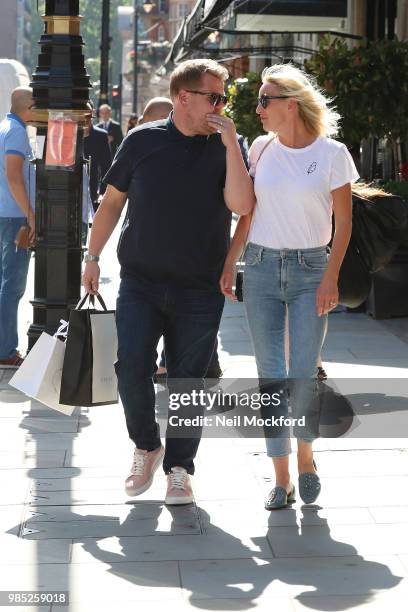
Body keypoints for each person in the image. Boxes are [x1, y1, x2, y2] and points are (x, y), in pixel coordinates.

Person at [83, 59, 254, 505]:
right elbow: (111, 204)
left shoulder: (226, 147)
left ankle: (180, 469)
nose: (221, 106)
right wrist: (92, 256)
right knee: (130, 370)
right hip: (140, 280)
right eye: (213, 97)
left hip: (200, 286)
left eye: (224, 98)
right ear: (184, 97)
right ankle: (146, 445)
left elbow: (242, 205)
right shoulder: (142, 141)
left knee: (188, 381)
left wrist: (232, 143)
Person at [220, 64, 358, 510]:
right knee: (271, 376)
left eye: (264, 100)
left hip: (310, 272)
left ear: (290, 104)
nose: (257, 108)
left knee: (301, 372)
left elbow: (345, 224)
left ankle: (306, 460)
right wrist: (230, 262)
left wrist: (331, 277)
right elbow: (248, 212)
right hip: (259, 267)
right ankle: (280, 479)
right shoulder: (260, 148)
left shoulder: (333, 154)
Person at [0, 87, 35, 368]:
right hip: (13, 218)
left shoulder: (5, 126)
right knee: (12, 285)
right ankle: (5, 350)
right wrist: (31, 215)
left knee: (6, 284)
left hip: (5, 215)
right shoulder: (18, 132)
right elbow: (14, 176)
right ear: (31, 107)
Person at [84, 106, 112, 214]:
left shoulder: (101, 135)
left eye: (88, 116)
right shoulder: (70, 133)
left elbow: (106, 166)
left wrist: (102, 191)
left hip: (92, 185)